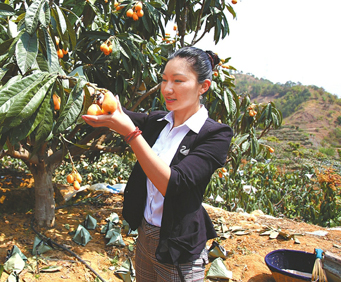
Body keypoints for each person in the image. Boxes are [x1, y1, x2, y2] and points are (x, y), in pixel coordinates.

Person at [82, 46, 233, 281]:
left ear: (203, 87)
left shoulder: (215, 134)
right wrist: (95, 95)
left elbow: (173, 183)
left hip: (178, 248)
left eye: (178, 81)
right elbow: (120, 114)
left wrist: (131, 134)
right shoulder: (158, 121)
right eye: (164, 80)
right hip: (145, 236)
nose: (167, 89)